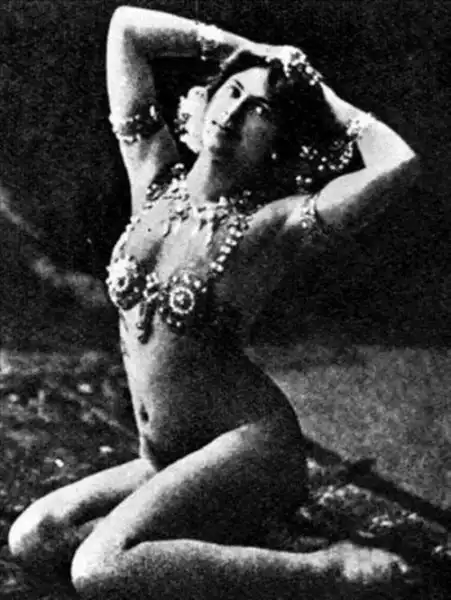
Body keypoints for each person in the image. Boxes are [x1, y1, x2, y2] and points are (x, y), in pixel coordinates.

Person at [8, 5, 420, 599]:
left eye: (261, 111)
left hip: (247, 446)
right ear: (203, 103)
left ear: (277, 143)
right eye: (232, 92)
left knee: (97, 570)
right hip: (165, 457)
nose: (235, 112)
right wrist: (247, 47)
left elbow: (398, 163)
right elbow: (126, 28)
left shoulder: (272, 226)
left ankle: (324, 570)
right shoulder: (152, 178)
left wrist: (318, 93)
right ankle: (217, 538)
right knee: (33, 537)